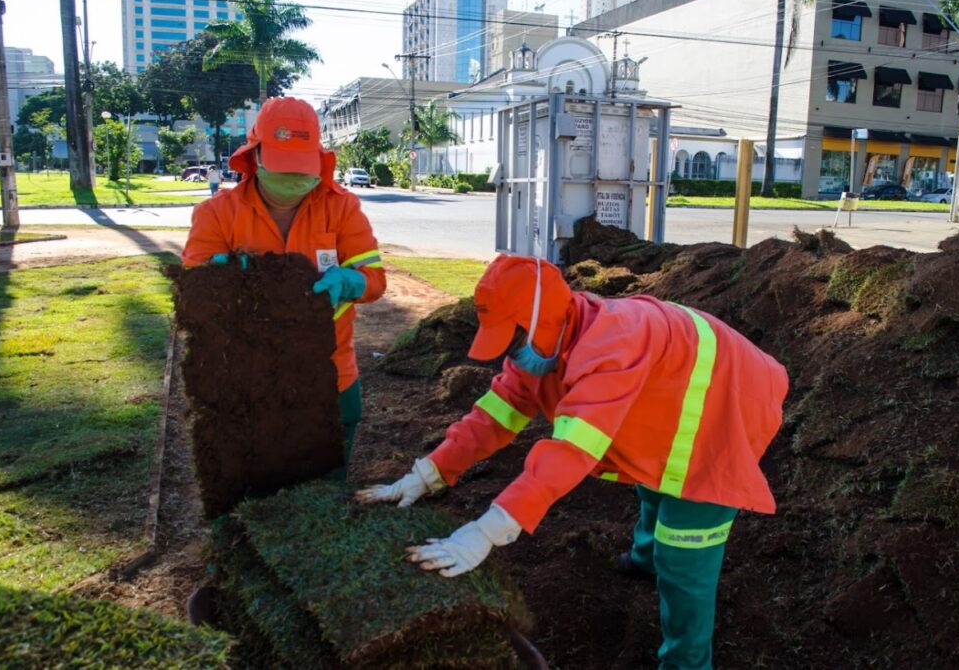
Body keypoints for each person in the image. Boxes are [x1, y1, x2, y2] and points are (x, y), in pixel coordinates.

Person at [357, 254, 788, 669]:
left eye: (514, 338)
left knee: (685, 541)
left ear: (542, 321)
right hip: (676, 390)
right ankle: (645, 560)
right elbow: (493, 416)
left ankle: (686, 661)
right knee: (652, 469)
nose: (512, 352)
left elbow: (571, 449)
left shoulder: (613, 344)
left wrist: (487, 531)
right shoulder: (544, 344)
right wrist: (427, 474)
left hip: (731, 402)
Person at [183, 96, 386, 477]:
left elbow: (375, 281)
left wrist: (350, 281)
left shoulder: (342, 208)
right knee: (252, 499)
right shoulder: (216, 214)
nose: (293, 178)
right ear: (254, 156)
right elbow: (192, 299)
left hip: (330, 379)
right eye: (282, 166)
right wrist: (222, 282)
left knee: (321, 504)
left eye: (300, 167)